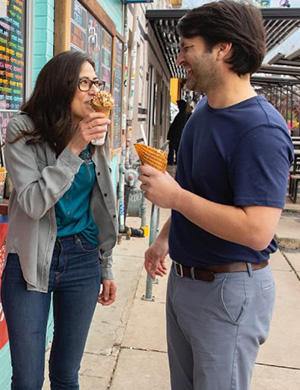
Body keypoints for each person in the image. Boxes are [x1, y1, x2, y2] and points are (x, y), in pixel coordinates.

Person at [138, 2, 294, 390]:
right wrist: (162, 242)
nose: (180, 58)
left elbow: (257, 231)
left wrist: (175, 198)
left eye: (188, 47)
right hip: (185, 283)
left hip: (229, 293)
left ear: (222, 49)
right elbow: (197, 191)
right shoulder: (202, 113)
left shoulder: (262, 130)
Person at [1, 50, 118, 389]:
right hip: (30, 261)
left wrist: (106, 265)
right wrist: (74, 147)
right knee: (27, 379)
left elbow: (102, 203)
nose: (94, 91)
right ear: (60, 85)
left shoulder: (95, 132)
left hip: (83, 258)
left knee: (67, 374)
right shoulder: (22, 130)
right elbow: (33, 202)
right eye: (84, 82)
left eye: (96, 82)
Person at [167, 99, 187, 165]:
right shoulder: (182, 114)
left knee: (172, 147)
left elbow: (177, 125)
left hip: (176, 134)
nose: (178, 106)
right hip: (177, 134)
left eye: (178, 105)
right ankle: (175, 161)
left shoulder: (182, 114)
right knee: (176, 148)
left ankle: (171, 161)